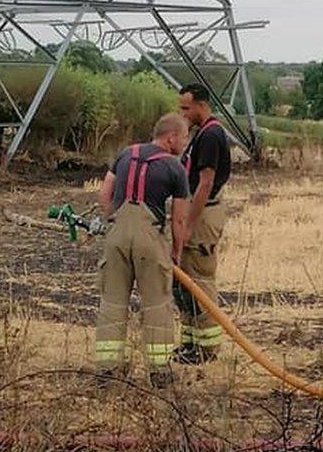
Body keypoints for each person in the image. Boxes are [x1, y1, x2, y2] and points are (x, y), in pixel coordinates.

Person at [95, 113, 190, 388]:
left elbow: (104, 195)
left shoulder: (126, 153)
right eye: (184, 138)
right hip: (150, 239)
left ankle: (107, 370)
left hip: (117, 235)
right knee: (157, 305)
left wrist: (115, 222)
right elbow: (179, 218)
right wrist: (176, 253)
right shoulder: (175, 168)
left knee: (112, 303)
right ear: (171, 137)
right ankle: (159, 372)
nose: (184, 143)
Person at [173, 83, 231, 365]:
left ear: (201, 105)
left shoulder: (211, 135)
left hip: (204, 215)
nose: (182, 114)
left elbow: (205, 183)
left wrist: (187, 225)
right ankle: (189, 343)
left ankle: (207, 349)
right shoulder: (200, 135)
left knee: (200, 280)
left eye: (186, 108)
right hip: (196, 212)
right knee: (185, 280)